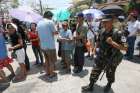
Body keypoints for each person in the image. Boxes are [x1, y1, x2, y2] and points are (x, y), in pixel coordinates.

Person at [82, 16, 127, 93]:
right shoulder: (101, 31)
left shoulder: (119, 33)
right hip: (101, 56)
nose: (104, 23)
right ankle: (91, 85)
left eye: (106, 22)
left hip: (111, 58)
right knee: (95, 70)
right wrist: (94, 50)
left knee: (110, 73)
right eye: (103, 22)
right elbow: (98, 41)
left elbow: (125, 48)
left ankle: (109, 84)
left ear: (112, 22)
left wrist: (112, 42)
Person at [37, 11, 58, 78]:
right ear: (50, 16)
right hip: (50, 45)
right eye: (51, 17)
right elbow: (55, 32)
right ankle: (51, 74)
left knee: (46, 59)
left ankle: (47, 72)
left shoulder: (39, 23)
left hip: (43, 45)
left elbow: (38, 34)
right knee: (51, 60)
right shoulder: (50, 22)